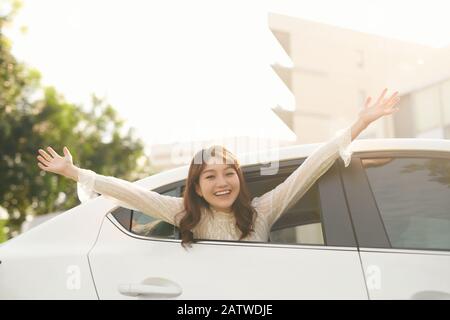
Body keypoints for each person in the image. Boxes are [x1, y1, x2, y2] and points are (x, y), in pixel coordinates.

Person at [37, 88, 401, 248]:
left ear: (239, 180)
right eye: (209, 176)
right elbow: (130, 193)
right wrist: (75, 173)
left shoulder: (263, 211)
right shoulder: (183, 215)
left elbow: (311, 167)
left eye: (229, 173)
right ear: (196, 187)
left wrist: (360, 124)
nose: (222, 182)